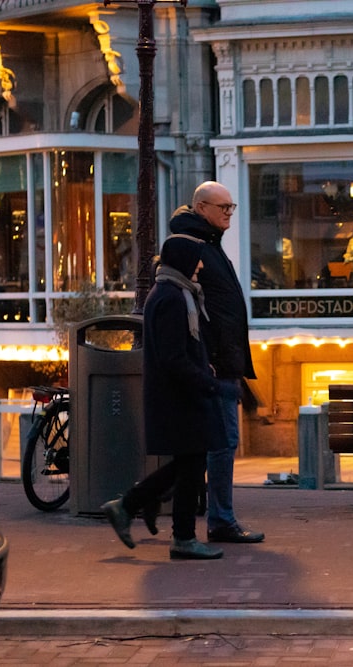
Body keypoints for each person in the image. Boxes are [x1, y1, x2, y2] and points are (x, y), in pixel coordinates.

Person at [101, 235, 233, 560]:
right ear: (184, 261)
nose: (201, 266)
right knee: (192, 464)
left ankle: (133, 505)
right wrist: (211, 383)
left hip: (181, 396)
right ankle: (181, 536)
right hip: (179, 399)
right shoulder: (172, 299)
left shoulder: (178, 294)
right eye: (197, 259)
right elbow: (173, 358)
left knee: (190, 463)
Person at [169, 181, 264, 544]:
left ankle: (216, 517)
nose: (228, 213)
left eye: (231, 207)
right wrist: (208, 357)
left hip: (225, 362)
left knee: (216, 444)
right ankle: (220, 521)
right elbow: (188, 306)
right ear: (202, 208)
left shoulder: (209, 244)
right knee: (221, 443)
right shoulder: (193, 247)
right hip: (216, 364)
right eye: (222, 207)